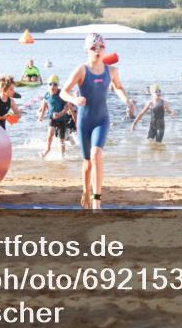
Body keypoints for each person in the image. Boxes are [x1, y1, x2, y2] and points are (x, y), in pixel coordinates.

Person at [61, 33, 135, 209]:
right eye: (93, 47)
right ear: (87, 49)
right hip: (84, 121)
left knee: (96, 154)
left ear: (105, 49)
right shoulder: (81, 70)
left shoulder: (112, 71)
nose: (97, 50)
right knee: (87, 162)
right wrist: (74, 100)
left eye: (101, 47)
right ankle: (86, 190)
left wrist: (127, 100)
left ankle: (97, 200)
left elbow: (118, 87)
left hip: (101, 119)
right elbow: (64, 91)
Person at [38, 76, 70, 158]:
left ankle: (62, 156)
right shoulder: (47, 94)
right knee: (49, 136)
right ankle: (47, 150)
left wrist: (60, 114)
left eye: (55, 84)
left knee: (61, 140)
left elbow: (67, 107)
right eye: (50, 84)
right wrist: (41, 115)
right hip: (52, 118)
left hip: (62, 119)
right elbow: (44, 105)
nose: (53, 86)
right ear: (48, 85)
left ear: (58, 85)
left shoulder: (61, 94)